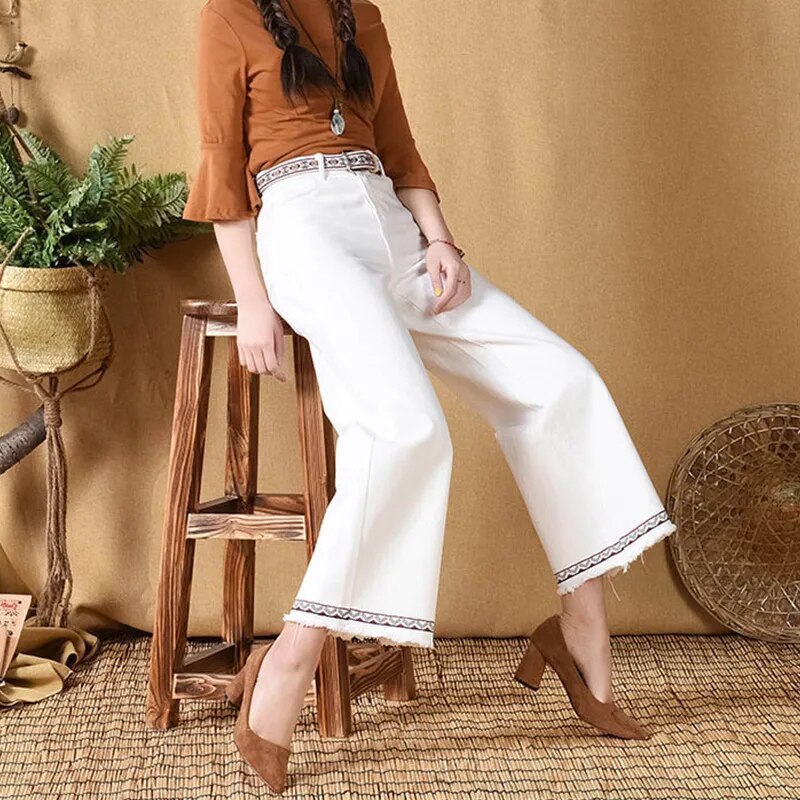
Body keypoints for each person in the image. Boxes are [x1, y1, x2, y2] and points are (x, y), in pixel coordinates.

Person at [182, 0, 677, 791]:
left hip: (389, 221)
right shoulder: (230, 13)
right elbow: (219, 163)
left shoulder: (362, 14)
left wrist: (440, 239)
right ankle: (289, 660)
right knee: (407, 428)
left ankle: (582, 626)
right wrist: (252, 299)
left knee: (562, 381)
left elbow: (400, 149)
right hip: (303, 226)